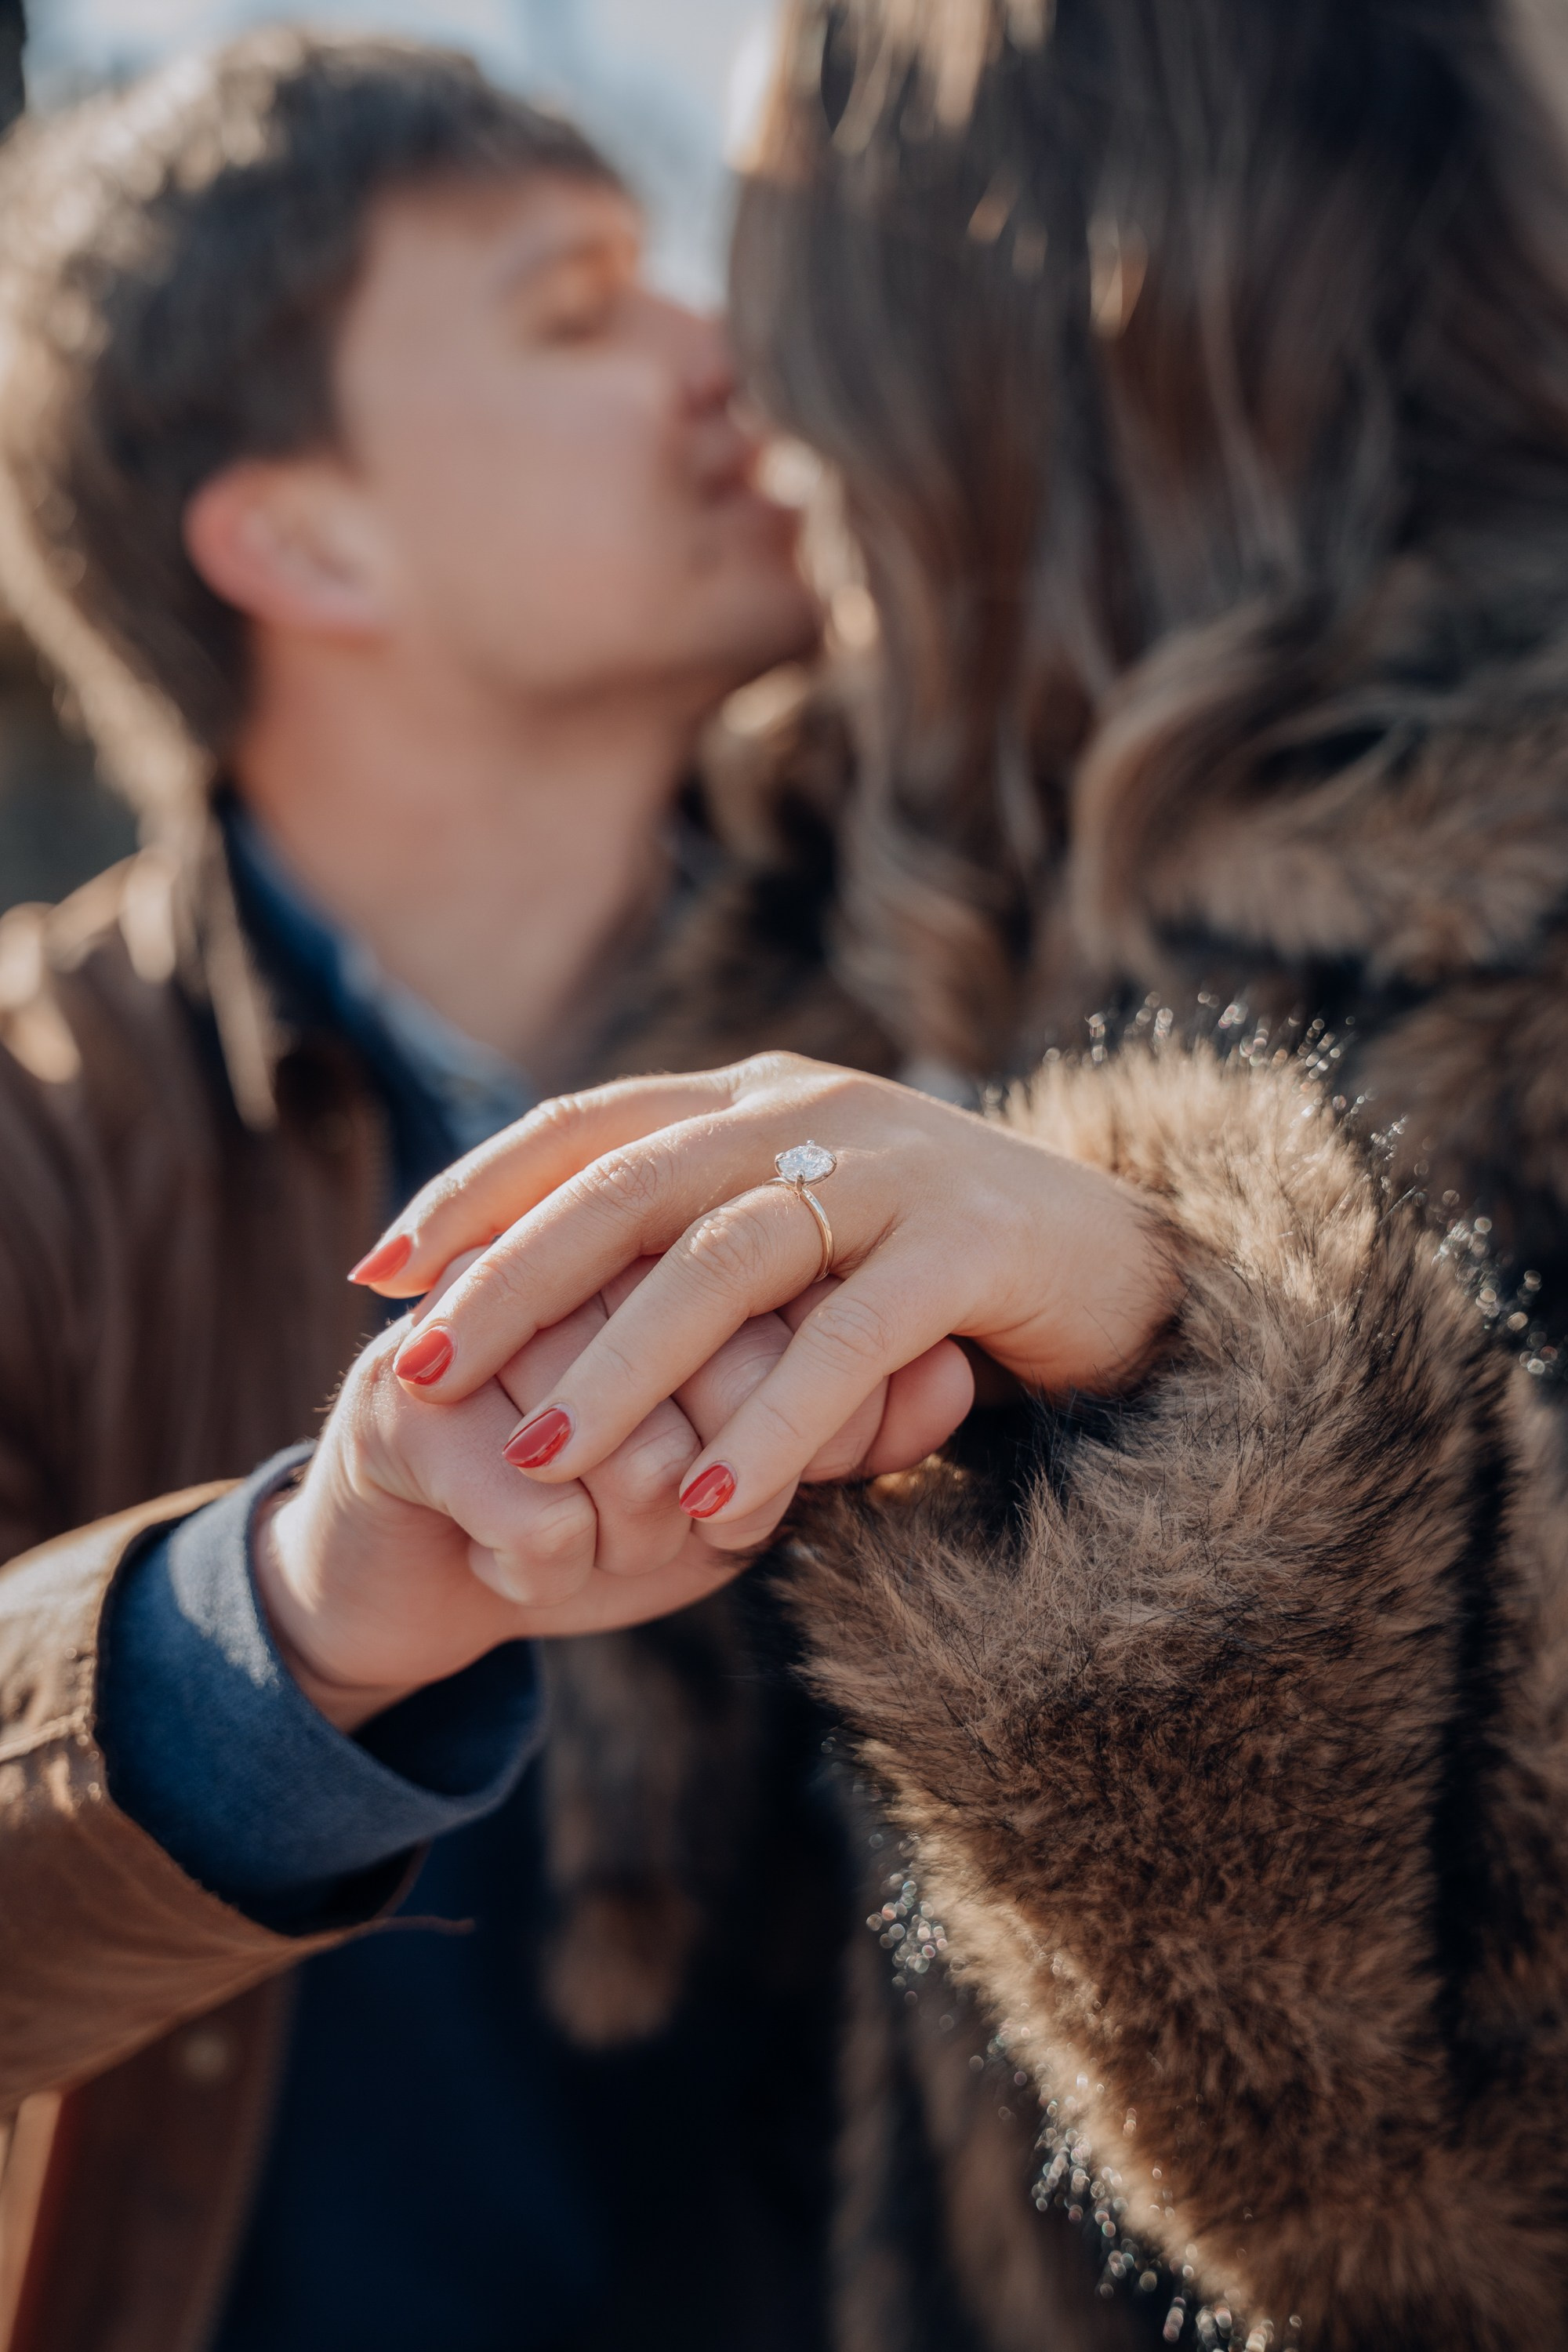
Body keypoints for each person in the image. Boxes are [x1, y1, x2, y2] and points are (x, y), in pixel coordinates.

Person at [307, 0, 1568, 2346]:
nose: (722, 354)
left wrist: (1197, 1402)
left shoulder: (1516, 902)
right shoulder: (804, 908)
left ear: (994, 296)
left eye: (756, 256)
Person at [0, 32, 1004, 2352]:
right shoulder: (42, 1130)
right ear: (303, 538)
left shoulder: (998, 1011)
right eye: (574, 309)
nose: (715, 355)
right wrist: (292, 1613)